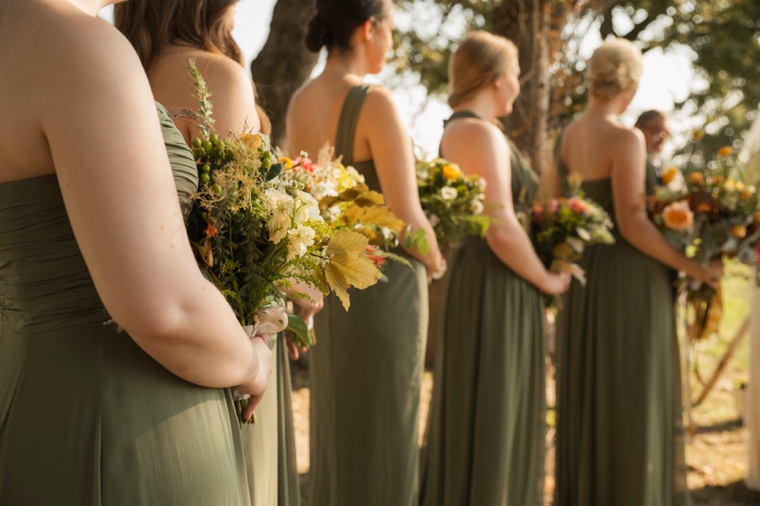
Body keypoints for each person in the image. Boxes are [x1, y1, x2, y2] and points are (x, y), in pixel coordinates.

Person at [0, 0, 273, 504]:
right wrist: (253, 363)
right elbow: (165, 309)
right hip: (136, 420)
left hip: (24, 397)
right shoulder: (78, 46)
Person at [114, 2, 314, 505]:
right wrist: (292, 282)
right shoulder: (214, 76)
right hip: (229, 338)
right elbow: (238, 231)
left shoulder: (122, 67)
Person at [285, 0, 444, 503]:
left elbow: (300, 206)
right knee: (387, 433)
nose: (392, 43)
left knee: (340, 426)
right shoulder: (376, 102)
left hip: (332, 292)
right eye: (392, 30)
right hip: (386, 290)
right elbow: (409, 220)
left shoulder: (300, 102)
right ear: (370, 28)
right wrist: (437, 261)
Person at [551, 39, 722, 506]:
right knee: (632, 396)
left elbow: (550, 209)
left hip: (585, 279)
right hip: (629, 282)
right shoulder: (625, 137)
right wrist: (696, 268)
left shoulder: (567, 135)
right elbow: (632, 222)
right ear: (630, 81)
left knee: (594, 394)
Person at [418, 31, 571, 506]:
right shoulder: (476, 132)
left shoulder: (477, 130)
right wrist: (547, 279)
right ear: (495, 79)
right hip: (494, 281)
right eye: (516, 73)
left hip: (498, 277)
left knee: (497, 402)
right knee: (495, 403)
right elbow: (499, 225)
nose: (520, 84)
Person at [635, 109, 671, 188]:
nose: (662, 140)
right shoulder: (626, 161)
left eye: (666, 135)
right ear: (637, 127)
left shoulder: (666, 168)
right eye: (656, 132)